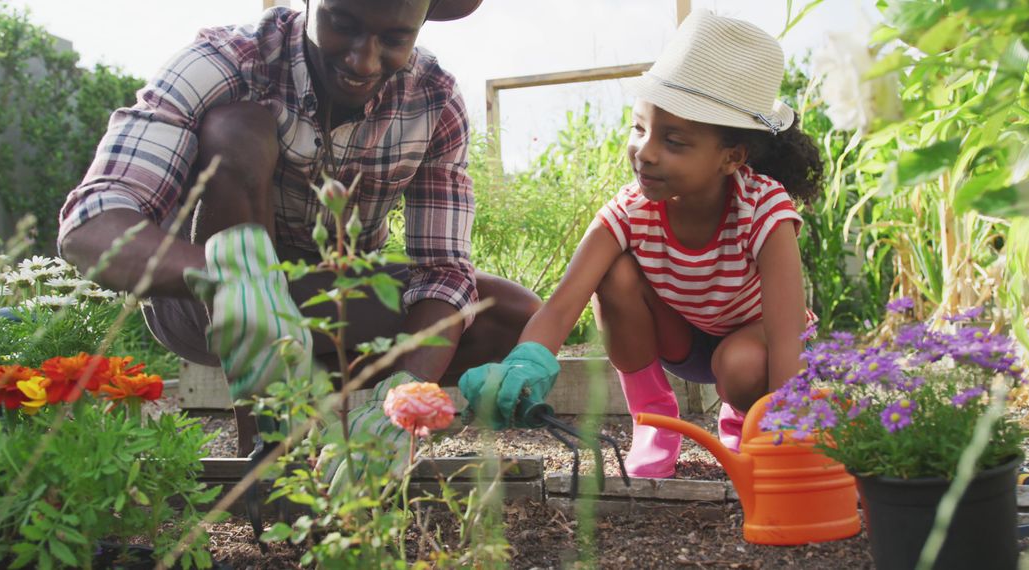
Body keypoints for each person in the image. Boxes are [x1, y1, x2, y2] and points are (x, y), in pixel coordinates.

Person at [58, 0, 541, 457]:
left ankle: (352, 427)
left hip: (334, 300)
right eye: (344, 24)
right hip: (203, 301)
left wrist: (404, 401)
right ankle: (270, 446)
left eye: (394, 37)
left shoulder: (433, 97)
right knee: (237, 130)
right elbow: (92, 223)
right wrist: (236, 278)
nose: (364, 61)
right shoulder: (224, 62)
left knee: (515, 319)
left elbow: (442, 272)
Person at [459, 11, 822, 478]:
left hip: (756, 345)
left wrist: (785, 426)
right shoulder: (632, 210)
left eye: (673, 141)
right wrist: (524, 362)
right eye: (639, 128)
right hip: (681, 335)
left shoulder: (764, 210)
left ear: (731, 157)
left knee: (740, 363)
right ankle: (655, 422)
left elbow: (786, 333)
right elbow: (563, 303)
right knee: (615, 270)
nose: (645, 152)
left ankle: (744, 421)